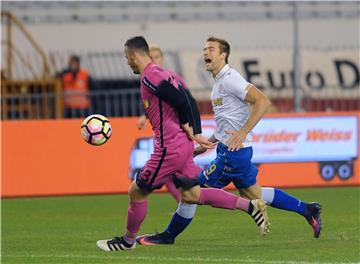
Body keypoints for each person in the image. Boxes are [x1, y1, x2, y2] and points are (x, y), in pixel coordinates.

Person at [136, 36, 322, 246]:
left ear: (224, 55)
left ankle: (168, 236)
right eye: (205, 49)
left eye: (212, 49)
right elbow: (228, 120)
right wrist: (209, 142)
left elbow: (262, 101)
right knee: (254, 192)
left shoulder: (231, 78)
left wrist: (243, 132)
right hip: (230, 150)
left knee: (191, 190)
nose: (206, 53)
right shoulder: (218, 84)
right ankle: (307, 209)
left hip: (235, 153)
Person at [96, 36, 270, 252]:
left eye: (127, 58)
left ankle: (127, 241)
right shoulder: (166, 74)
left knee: (136, 191)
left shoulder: (150, 76)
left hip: (168, 148)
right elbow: (189, 98)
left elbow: (181, 99)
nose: (127, 62)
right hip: (181, 145)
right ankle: (250, 206)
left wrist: (194, 131)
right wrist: (194, 132)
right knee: (192, 194)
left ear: (134, 55)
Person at [136, 44, 190, 202]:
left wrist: (189, 126)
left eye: (156, 57)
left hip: (177, 136)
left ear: (162, 58)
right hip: (165, 136)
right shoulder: (149, 78)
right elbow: (153, 104)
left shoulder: (172, 77)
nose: (154, 60)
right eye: (151, 57)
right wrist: (144, 116)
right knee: (173, 177)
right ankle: (184, 204)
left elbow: (187, 102)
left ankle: (185, 204)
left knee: (172, 175)